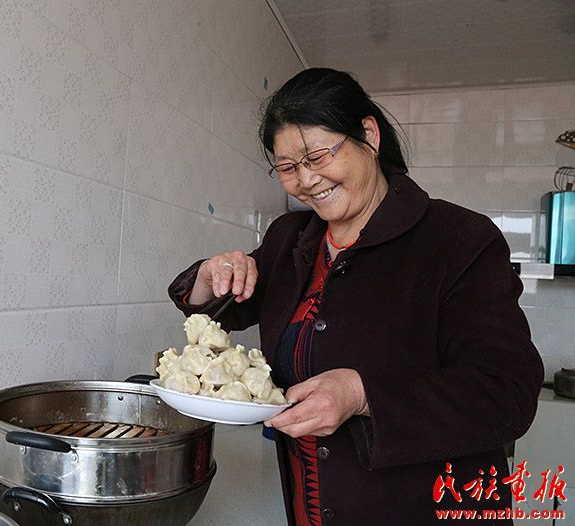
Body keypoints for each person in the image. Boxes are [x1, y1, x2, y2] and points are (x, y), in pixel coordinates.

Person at [168, 68, 544, 525]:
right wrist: (211, 276)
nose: (306, 180)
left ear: (369, 134)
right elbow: (223, 307)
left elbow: (506, 393)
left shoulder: (458, 240)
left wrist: (363, 394)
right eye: (287, 168)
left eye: (317, 156)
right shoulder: (290, 239)